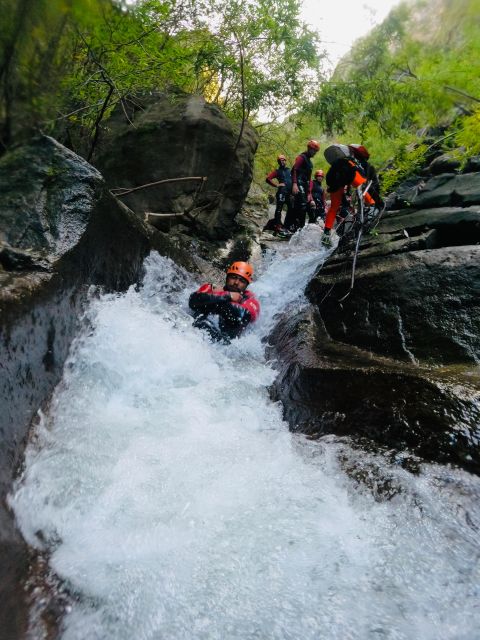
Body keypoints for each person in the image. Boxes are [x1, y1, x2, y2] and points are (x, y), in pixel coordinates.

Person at [321, 143, 382, 247]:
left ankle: (326, 234)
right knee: (363, 187)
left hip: (334, 181)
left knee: (334, 208)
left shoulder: (335, 166)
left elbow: (335, 182)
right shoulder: (349, 162)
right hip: (349, 174)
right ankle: (372, 208)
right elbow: (361, 180)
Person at [189, 261, 260, 343]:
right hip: (195, 332)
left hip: (223, 344)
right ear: (227, 277)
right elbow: (193, 301)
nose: (236, 283)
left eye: (242, 281)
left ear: (246, 285)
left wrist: (214, 299)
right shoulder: (211, 288)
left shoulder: (250, 300)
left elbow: (242, 315)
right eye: (233, 277)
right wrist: (228, 296)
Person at [287, 139, 320, 231]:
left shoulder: (310, 163)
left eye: (316, 152)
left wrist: (309, 193)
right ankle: (296, 228)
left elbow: (309, 179)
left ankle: (299, 227)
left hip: (305, 185)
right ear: (309, 149)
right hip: (297, 183)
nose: (315, 153)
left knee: (305, 206)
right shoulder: (301, 157)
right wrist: (294, 184)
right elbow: (294, 170)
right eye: (314, 151)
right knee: (301, 205)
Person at [265, 155, 293, 236]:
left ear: (285, 161)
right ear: (278, 162)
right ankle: (278, 226)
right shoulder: (277, 171)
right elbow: (268, 179)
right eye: (280, 160)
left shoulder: (289, 170)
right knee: (279, 209)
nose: (282, 161)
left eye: (283, 160)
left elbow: (294, 180)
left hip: (289, 194)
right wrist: (277, 185)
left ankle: (287, 226)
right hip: (281, 192)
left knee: (291, 209)